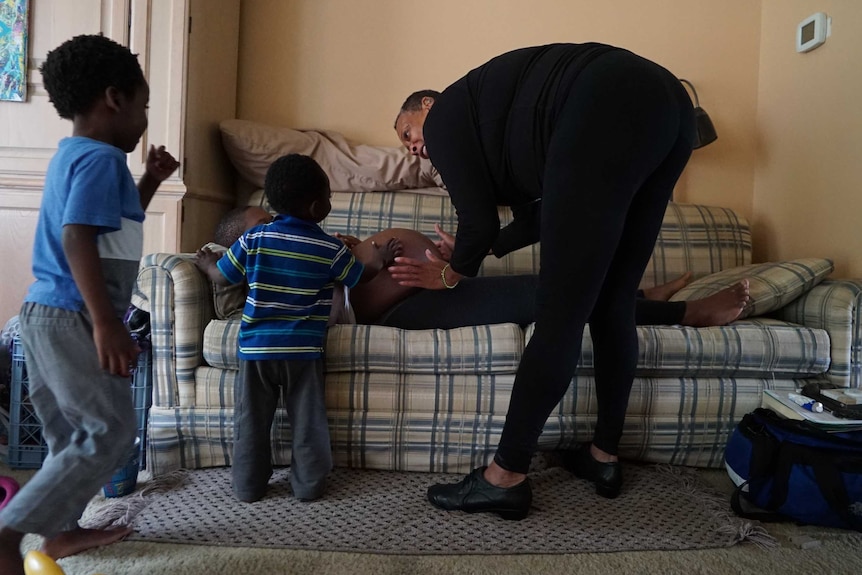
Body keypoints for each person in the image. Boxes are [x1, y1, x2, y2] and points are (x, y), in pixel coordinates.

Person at [389, 43, 701, 520]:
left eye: (408, 133)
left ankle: (504, 478)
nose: (413, 148)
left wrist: (451, 274)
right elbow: (553, 208)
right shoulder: (499, 124)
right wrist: (480, 248)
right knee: (612, 302)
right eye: (408, 148)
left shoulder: (448, 114)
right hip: (671, 107)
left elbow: (477, 220)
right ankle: (603, 458)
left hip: (607, 95)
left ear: (426, 106)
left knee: (560, 315)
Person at [0, 34, 180, 573]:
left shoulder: (82, 157)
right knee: (109, 429)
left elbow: (111, 230)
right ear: (114, 98)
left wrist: (149, 181)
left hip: (44, 315)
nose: (145, 119)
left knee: (68, 435)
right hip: (72, 316)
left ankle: (60, 533)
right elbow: (77, 236)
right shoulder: (100, 161)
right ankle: (7, 534)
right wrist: (106, 323)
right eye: (144, 105)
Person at [194, 154, 401, 503]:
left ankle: (247, 486)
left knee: (251, 422)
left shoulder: (255, 238)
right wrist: (379, 260)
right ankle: (307, 486)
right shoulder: (328, 247)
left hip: (257, 350)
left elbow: (224, 275)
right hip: (303, 351)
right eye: (330, 199)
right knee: (308, 423)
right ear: (318, 206)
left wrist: (207, 263)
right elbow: (358, 277)